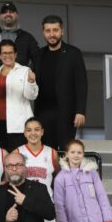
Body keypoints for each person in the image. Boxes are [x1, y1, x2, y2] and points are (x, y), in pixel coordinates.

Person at [34, 15, 87, 150]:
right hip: (43, 113)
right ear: (43, 33)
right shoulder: (39, 55)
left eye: (55, 30)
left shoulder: (73, 53)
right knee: (46, 153)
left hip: (66, 113)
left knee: (66, 151)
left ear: (62, 31)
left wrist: (80, 111)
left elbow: (81, 84)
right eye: (48, 31)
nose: (52, 34)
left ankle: (66, 173)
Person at [0, 40, 38, 151]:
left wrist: (31, 81)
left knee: (17, 157)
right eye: (4, 53)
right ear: (0, 56)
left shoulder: (25, 71)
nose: (7, 56)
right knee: (1, 157)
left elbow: (31, 96)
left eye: (10, 52)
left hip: (18, 124)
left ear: (15, 54)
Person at [0, 2, 40, 68]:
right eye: (4, 12)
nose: (8, 14)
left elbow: (38, 59)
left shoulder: (27, 37)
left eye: (11, 12)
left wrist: (27, 72)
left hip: (19, 78)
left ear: (17, 15)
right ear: (0, 16)